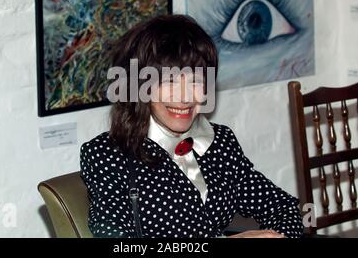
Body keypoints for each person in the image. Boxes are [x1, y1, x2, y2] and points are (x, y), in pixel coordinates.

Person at [80, 14, 303, 238]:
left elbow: (287, 208)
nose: (185, 97)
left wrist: (277, 236)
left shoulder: (220, 143)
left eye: (196, 81)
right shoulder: (107, 154)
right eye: (169, 82)